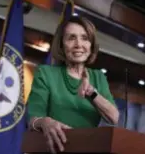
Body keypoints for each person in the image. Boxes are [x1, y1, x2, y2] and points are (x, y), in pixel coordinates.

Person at [27, 16, 119, 154]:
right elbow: (33, 119)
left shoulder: (98, 77)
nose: (78, 44)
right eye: (71, 38)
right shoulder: (46, 73)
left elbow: (114, 117)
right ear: (61, 45)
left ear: (91, 45)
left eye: (85, 38)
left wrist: (91, 92)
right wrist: (45, 122)